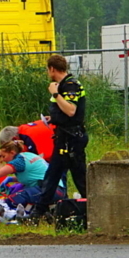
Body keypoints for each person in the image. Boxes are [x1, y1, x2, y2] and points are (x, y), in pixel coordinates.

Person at [33, 54, 88, 219]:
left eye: (47, 70)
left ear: (52, 69)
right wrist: (54, 118)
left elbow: (71, 110)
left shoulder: (70, 85)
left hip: (72, 140)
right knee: (52, 175)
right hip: (63, 137)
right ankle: (38, 212)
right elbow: (63, 112)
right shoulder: (63, 85)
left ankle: (95, 207)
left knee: (80, 177)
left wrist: (56, 94)